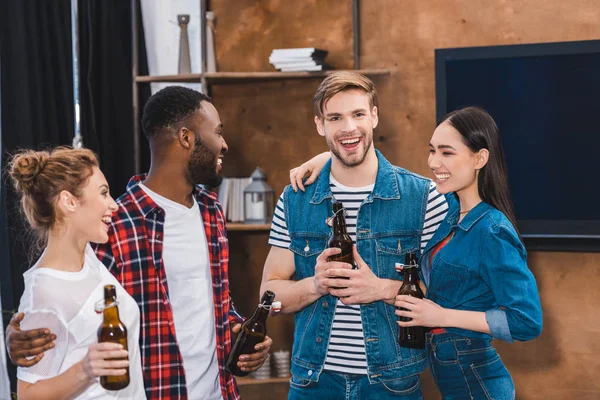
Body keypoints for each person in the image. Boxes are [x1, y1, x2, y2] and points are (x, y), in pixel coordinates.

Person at [6, 86, 272, 400]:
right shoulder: (115, 226)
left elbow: (216, 303)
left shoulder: (212, 211)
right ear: (186, 138)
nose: (224, 144)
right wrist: (18, 335)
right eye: (217, 132)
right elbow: (70, 301)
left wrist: (238, 330)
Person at [261, 71, 448, 399]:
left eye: (358, 114)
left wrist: (382, 289)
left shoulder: (423, 197)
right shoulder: (294, 200)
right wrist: (315, 285)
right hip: (313, 383)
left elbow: (449, 295)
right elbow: (269, 299)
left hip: (392, 384)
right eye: (335, 117)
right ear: (320, 125)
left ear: (374, 116)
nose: (348, 128)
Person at [394, 107, 542, 399]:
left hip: (479, 382)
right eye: (432, 150)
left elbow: (526, 321)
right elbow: (400, 178)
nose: (434, 162)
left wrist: (440, 315)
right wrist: (325, 160)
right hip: (454, 378)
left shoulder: (492, 230)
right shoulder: (452, 211)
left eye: (447, 153)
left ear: (480, 158)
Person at [7, 147, 145, 399]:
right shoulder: (45, 292)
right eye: (103, 193)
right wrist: (85, 370)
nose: (114, 205)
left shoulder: (89, 258)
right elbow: (28, 394)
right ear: (68, 201)